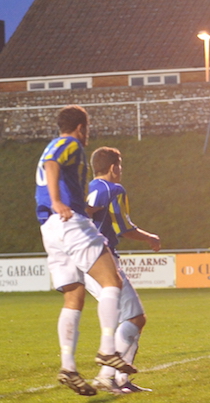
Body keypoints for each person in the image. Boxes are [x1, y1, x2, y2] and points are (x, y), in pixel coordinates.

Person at [35, 105, 136, 396]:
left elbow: (49, 165)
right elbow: (52, 165)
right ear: (81, 127)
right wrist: (57, 201)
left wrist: (52, 205)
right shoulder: (69, 143)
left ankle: (68, 366)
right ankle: (107, 349)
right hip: (69, 220)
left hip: (49, 228)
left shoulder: (51, 145)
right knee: (111, 281)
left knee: (74, 296)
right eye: (87, 128)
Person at [83, 147, 160, 394]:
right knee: (136, 318)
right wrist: (150, 238)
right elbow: (124, 228)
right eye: (121, 166)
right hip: (102, 260)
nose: (121, 171)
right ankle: (107, 377)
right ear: (114, 168)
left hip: (82, 261)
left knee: (122, 320)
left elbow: (83, 210)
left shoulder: (89, 188)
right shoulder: (113, 189)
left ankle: (122, 380)